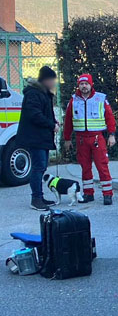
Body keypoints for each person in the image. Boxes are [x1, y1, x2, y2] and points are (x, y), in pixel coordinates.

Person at [63, 73, 116, 204]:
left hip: (97, 138)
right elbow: (68, 121)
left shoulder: (100, 98)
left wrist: (112, 135)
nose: (84, 86)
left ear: (91, 84)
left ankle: (107, 194)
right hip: (81, 139)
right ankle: (88, 194)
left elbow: (110, 118)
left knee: (102, 166)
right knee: (85, 167)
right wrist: (67, 139)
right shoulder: (73, 100)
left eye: (86, 83)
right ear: (78, 85)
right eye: (81, 84)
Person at [18, 66, 58, 211]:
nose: (53, 83)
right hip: (35, 137)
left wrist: (54, 121)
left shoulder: (44, 93)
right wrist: (51, 125)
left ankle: (40, 197)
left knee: (41, 167)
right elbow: (34, 115)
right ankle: (36, 199)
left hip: (42, 137)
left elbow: (46, 113)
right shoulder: (33, 94)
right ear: (45, 80)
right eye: (52, 80)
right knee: (38, 167)